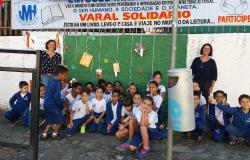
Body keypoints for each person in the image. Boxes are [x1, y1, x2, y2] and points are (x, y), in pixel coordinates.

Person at [41, 65, 68, 140]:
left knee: (50, 120)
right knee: (60, 120)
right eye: (65, 75)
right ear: (59, 74)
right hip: (53, 105)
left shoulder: (51, 80)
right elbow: (57, 97)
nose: (65, 77)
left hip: (46, 104)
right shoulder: (57, 83)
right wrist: (62, 105)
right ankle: (54, 134)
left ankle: (44, 134)